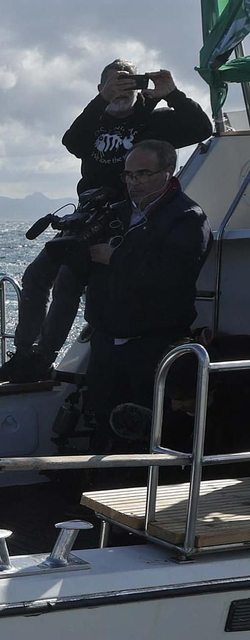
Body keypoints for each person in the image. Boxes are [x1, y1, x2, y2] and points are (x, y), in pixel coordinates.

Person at [0, 62, 212, 383]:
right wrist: (101, 103)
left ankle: (43, 358)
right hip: (86, 215)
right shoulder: (96, 121)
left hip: (121, 221)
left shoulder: (153, 121)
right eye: (113, 84)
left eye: (128, 84)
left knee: (68, 283)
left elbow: (200, 129)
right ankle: (24, 352)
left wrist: (174, 95)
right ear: (100, 89)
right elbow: (71, 142)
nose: (121, 91)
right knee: (37, 276)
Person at [83, 140, 211, 452]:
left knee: (151, 433)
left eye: (143, 174)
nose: (133, 183)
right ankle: (98, 492)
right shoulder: (113, 212)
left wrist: (114, 258)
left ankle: (149, 493)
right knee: (102, 422)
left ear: (169, 171)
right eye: (128, 175)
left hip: (153, 345)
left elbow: (171, 276)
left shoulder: (188, 217)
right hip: (106, 341)